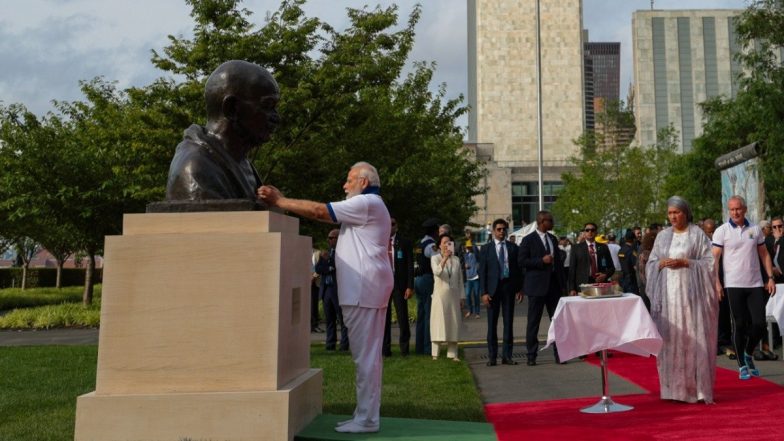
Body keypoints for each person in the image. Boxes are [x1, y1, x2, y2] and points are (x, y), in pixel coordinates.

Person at [257, 161, 393, 433]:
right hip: (366, 289)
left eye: (349, 179)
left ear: (363, 182)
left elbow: (321, 211)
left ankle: (366, 419)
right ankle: (364, 414)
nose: (344, 185)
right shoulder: (370, 205)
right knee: (367, 356)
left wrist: (281, 201)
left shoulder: (367, 203)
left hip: (363, 290)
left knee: (365, 357)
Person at [166, 60, 279, 201]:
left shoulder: (239, 161)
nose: (276, 118)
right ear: (232, 109)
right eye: (267, 106)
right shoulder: (197, 168)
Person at [645, 196, 718, 403]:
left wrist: (687, 262)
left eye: (676, 212)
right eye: (670, 213)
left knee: (692, 338)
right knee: (671, 340)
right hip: (668, 299)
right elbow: (650, 263)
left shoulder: (697, 234)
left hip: (691, 299)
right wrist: (660, 264)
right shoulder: (662, 237)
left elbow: (709, 263)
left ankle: (697, 390)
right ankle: (673, 389)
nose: (673, 216)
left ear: (685, 212)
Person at [711, 195, 777, 380]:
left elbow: (764, 254)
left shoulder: (755, 229)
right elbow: (714, 259)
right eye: (732, 209)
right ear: (728, 211)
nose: (735, 212)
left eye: (738, 209)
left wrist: (770, 277)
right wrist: (716, 282)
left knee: (759, 324)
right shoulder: (722, 231)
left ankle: (748, 352)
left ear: (745, 209)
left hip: (755, 283)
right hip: (733, 284)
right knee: (739, 324)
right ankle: (742, 365)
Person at [519, 210, 566, 366]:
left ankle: (559, 353)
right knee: (533, 322)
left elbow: (558, 261)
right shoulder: (528, 240)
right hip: (536, 286)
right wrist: (541, 261)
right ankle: (531, 354)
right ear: (542, 221)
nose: (552, 223)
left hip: (553, 286)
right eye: (550, 220)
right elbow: (522, 261)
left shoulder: (552, 238)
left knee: (557, 321)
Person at [478, 219, 523, 366]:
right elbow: (482, 272)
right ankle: (492, 356)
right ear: (493, 231)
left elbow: (518, 270)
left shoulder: (513, 248)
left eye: (504, 229)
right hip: (492, 290)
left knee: (508, 323)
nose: (501, 232)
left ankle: (507, 356)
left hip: (508, 288)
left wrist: (519, 288)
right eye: (498, 229)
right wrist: (484, 292)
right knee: (492, 324)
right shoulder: (486, 249)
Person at [382, 217, 414, 357]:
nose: (390, 226)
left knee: (402, 317)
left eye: (392, 224)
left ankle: (404, 349)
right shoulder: (379, 241)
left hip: (399, 284)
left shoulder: (404, 242)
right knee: (384, 318)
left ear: (397, 226)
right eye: (387, 224)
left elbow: (410, 266)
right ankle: (385, 349)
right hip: (383, 284)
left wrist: (409, 286)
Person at [430, 234, 465, 361]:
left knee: (453, 323)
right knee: (438, 323)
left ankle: (452, 354)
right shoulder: (435, 258)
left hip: (454, 296)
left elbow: (460, 279)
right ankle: (435, 354)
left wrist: (462, 297)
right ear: (439, 245)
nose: (446, 245)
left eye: (449, 242)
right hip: (440, 296)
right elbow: (437, 272)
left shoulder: (456, 259)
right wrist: (444, 259)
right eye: (444, 242)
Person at [316, 229, 349, 351]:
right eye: (328, 238)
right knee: (329, 319)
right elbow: (318, 268)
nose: (329, 240)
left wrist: (329, 266)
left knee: (342, 319)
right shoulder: (326, 253)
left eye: (331, 238)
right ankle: (330, 343)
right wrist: (329, 267)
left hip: (338, 290)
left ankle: (344, 344)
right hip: (326, 290)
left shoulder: (344, 253)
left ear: (338, 238)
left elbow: (338, 267)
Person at [568, 222, 614, 296]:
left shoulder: (603, 247)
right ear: (584, 232)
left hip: (600, 284)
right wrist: (571, 288)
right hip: (582, 286)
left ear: (596, 232)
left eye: (592, 230)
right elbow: (572, 270)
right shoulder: (576, 248)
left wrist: (605, 275)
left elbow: (612, 268)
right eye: (587, 230)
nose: (590, 232)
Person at [414, 218, 439, 355]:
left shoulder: (419, 243)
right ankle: (427, 347)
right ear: (434, 231)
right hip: (427, 279)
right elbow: (437, 258)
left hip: (418, 279)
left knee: (421, 314)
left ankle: (419, 347)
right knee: (429, 314)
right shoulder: (431, 245)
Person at [463, 244, 481, 318]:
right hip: (468, 278)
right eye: (467, 247)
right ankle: (470, 310)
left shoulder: (475, 255)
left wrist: (471, 241)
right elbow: (461, 262)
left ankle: (477, 312)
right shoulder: (465, 255)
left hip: (476, 277)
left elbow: (475, 250)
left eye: (469, 246)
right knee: (467, 295)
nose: (468, 248)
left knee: (476, 295)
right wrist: (464, 265)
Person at [310, 249, 324, 333]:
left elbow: (318, 268)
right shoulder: (302, 252)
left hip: (315, 283)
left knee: (314, 305)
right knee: (310, 306)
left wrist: (313, 278)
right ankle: (312, 325)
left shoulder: (317, 253)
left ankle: (314, 325)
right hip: (307, 283)